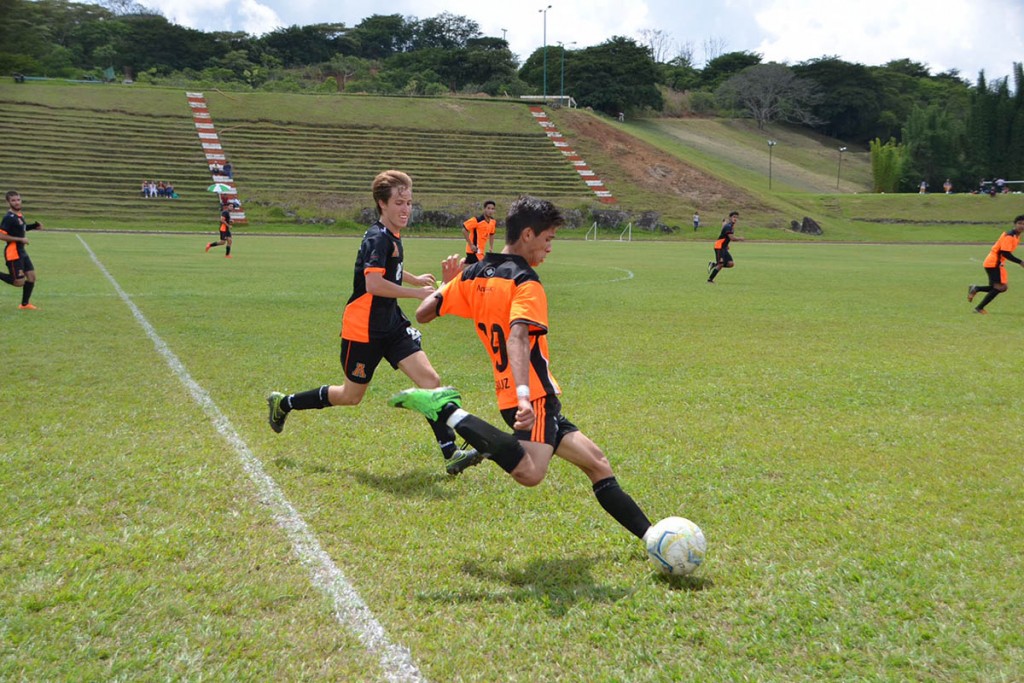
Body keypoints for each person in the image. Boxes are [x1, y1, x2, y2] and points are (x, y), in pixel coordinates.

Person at [388, 195, 654, 546]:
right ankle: (447, 410)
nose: (549, 249)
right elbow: (517, 336)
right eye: (548, 240)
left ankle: (653, 538)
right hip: (532, 397)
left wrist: (448, 286)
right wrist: (527, 396)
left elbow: (424, 312)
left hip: (514, 395)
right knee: (530, 472)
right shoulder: (526, 282)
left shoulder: (475, 272)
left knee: (597, 463)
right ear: (528, 235)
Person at [266, 170, 479, 474]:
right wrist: (416, 292)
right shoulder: (378, 237)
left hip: (391, 324)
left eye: (409, 202)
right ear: (382, 204)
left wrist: (412, 275)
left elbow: (387, 267)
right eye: (399, 203)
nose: (406, 209)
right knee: (350, 396)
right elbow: (373, 285)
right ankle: (283, 403)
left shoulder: (391, 235)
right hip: (363, 328)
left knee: (430, 382)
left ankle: (451, 453)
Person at [967, 214, 1024, 314]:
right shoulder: (1010, 236)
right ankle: (979, 308)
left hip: (996, 263)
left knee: (1002, 287)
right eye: (1019, 223)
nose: (1021, 226)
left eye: (1023, 224)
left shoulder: (1015, 236)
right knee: (999, 287)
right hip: (994, 262)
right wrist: (1020, 262)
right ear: (1015, 224)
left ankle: (976, 288)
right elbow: (1005, 253)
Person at [0, 190, 43, 310]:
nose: (17, 202)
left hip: (22, 252)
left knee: (32, 277)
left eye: (18, 200)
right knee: (19, 282)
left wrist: (34, 226)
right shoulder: (8, 217)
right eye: (13, 200)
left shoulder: (19, 215)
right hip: (13, 252)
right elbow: (1, 235)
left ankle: (24, 304)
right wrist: (20, 239)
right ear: (8, 202)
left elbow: (21, 228)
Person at [707, 211, 743, 284]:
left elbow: (725, 236)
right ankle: (710, 280)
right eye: (734, 217)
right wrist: (740, 238)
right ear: (730, 218)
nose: (735, 219)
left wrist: (726, 245)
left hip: (723, 247)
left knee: (730, 264)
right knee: (720, 264)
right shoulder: (728, 226)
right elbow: (732, 238)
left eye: (736, 217)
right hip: (719, 246)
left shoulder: (730, 226)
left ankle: (714, 264)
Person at [462, 200, 497, 266]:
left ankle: (460, 267)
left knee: (468, 270)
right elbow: (464, 229)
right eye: (488, 208)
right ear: (484, 209)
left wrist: (491, 247)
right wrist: (471, 245)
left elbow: (492, 234)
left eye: (492, 209)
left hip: (481, 252)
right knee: (482, 268)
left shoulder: (493, 222)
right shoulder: (477, 220)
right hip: (474, 251)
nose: (490, 211)